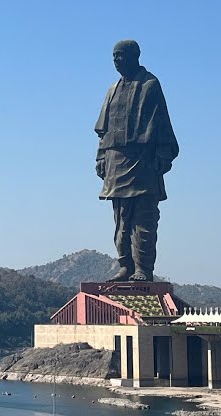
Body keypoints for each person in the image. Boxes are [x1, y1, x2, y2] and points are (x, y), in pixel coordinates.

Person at [94, 40, 178, 282]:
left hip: (142, 161)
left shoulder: (150, 84)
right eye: (114, 56)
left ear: (134, 56)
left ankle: (143, 268)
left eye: (120, 55)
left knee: (144, 217)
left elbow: (162, 123)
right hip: (116, 162)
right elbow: (103, 131)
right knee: (121, 219)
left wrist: (163, 155)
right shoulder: (112, 90)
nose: (116, 60)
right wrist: (101, 156)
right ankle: (125, 265)